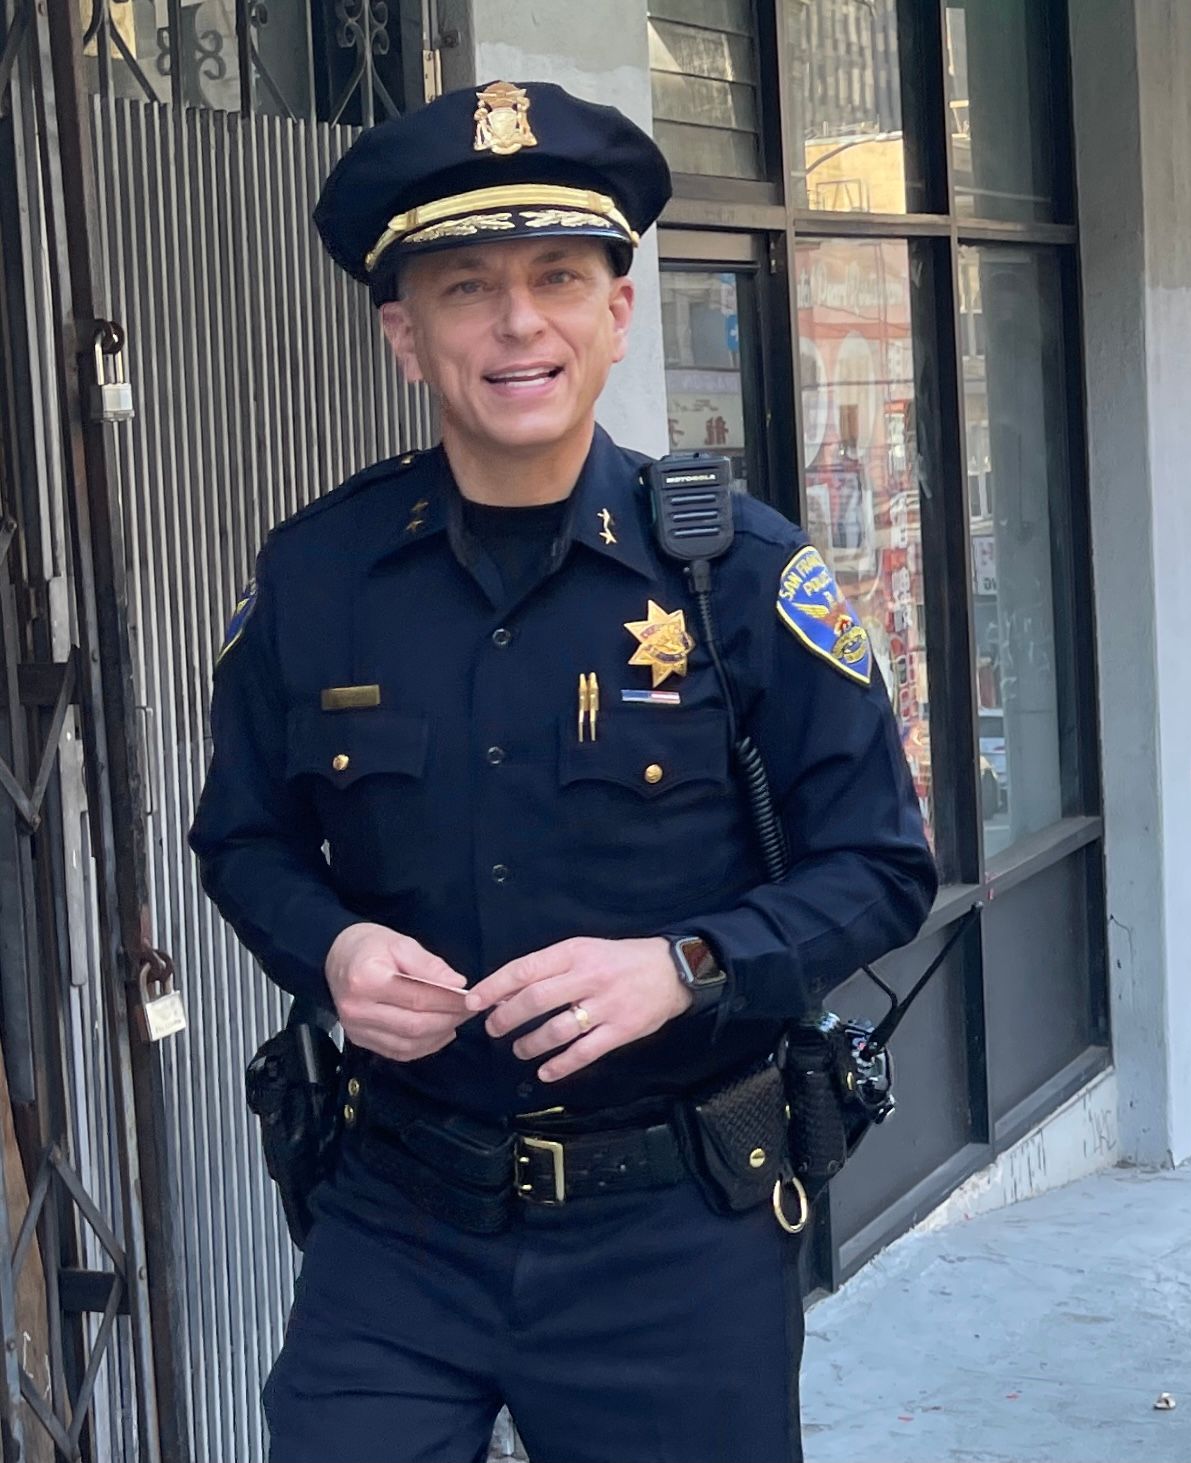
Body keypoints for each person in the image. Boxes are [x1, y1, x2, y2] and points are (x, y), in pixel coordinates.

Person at [190, 81, 938, 1460]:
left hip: (671, 1227)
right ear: (404, 334)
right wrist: (335, 947)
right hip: (398, 1212)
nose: (517, 321)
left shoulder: (744, 575)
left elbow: (884, 867)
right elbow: (241, 838)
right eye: (466, 287)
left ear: (619, 311)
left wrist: (688, 962)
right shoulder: (319, 578)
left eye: (556, 277)